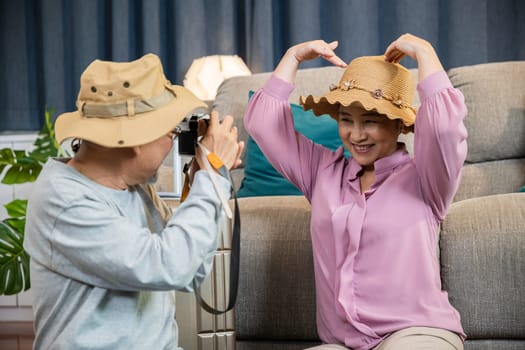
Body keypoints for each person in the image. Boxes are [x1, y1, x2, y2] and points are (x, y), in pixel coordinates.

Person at [244, 33, 467, 350]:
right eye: (346, 120)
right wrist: (292, 56)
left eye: (371, 121)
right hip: (343, 343)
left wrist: (425, 52)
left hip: (418, 333)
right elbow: (263, 124)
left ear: (398, 124)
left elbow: (445, 128)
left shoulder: (428, 177)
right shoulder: (322, 172)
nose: (356, 134)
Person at [23, 53, 243, 349]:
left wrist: (199, 181)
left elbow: (191, 272)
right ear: (139, 140)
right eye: (172, 132)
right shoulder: (63, 201)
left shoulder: (135, 189)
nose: (174, 142)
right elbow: (170, 265)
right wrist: (212, 176)